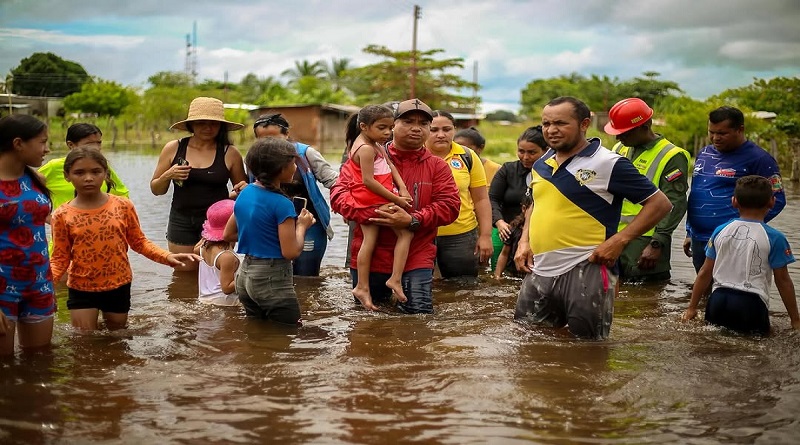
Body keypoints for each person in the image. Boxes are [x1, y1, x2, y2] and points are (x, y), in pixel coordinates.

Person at [513, 96, 672, 340]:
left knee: (587, 348)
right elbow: (536, 202)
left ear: (584, 124)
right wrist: (525, 241)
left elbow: (660, 204)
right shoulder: (542, 162)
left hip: (588, 266)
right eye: (546, 123)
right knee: (527, 340)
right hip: (540, 268)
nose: (551, 130)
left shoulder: (608, 163)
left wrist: (619, 241)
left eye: (560, 123)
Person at [331, 98, 460, 314]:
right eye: (408, 122)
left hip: (416, 254)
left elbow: (450, 206)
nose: (416, 128)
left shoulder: (437, 166)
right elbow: (338, 196)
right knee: (367, 321)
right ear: (394, 125)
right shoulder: (367, 155)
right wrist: (374, 212)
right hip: (371, 255)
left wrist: (412, 219)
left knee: (418, 316)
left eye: (423, 124)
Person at [51, 147, 199, 331]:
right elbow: (59, 258)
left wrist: (167, 257)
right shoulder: (62, 215)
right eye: (79, 173)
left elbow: (139, 242)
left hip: (118, 284)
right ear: (67, 176)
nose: (88, 178)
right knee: (84, 338)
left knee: (118, 335)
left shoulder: (122, 206)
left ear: (106, 174)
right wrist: (45, 288)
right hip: (81, 287)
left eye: (96, 172)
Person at [682, 175, 800, 335]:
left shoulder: (720, 231)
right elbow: (783, 281)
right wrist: (795, 320)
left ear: (734, 201)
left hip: (717, 300)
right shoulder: (775, 238)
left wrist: (691, 308)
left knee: (713, 343)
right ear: (772, 202)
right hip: (751, 303)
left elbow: (704, 272)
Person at [223, 137, 316, 325]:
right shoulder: (282, 204)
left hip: (245, 277)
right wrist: (302, 226)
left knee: (257, 330)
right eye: (293, 164)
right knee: (290, 331)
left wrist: (264, 236)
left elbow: (229, 234)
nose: (295, 168)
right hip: (272, 279)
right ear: (281, 169)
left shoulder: (246, 192)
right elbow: (290, 252)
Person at [684, 106, 786, 273]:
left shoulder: (759, 159)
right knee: (702, 285)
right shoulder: (704, 154)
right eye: (711, 132)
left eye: (722, 133)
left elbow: (778, 199)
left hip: (733, 241)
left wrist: (745, 228)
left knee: (729, 285)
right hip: (698, 238)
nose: (715, 138)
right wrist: (689, 231)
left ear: (740, 129)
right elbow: (696, 194)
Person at [150, 96, 247, 272]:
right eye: (201, 123)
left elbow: (243, 193)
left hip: (218, 222)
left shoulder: (230, 153)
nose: (208, 128)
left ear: (221, 126)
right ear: (191, 125)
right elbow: (157, 190)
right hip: (181, 220)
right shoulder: (174, 148)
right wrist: (168, 175)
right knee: (184, 272)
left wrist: (242, 191)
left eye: (213, 124)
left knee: (216, 272)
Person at [603, 98, 691, 282]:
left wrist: (658, 242)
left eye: (624, 132)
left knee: (647, 291)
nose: (618, 138)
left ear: (645, 126)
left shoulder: (671, 155)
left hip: (646, 239)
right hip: (616, 235)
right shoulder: (619, 148)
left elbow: (675, 202)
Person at [339, 105, 413, 310]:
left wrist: (403, 188)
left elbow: (390, 166)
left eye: (390, 128)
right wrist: (397, 199)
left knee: (369, 241)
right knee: (405, 233)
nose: (388, 133)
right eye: (382, 128)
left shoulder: (374, 144)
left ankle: (363, 287)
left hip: (369, 200)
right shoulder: (366, 149)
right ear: (364, 126)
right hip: (371, 201)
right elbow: (369, 181)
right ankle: (394, 279)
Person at [253, 113, 338, 277]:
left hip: (309, 222)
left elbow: (333, 180)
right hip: (271, 224)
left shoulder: (305, 154)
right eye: (263, 139)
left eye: (274, 138)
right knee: (274, 273)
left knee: (306, 276)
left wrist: (343, 202)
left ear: (286, 134)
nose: (269, 144)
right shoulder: (255, 159)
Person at [0, 115, 55, 355]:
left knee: (41, 360)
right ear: (18, 143)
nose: (47, 149)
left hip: (39, 281)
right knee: (5, 366)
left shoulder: (36, 178)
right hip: (3, 287)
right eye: (42, 142)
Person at [427, 110, 493, 279]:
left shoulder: (467, 156)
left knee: (463, 287)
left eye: (446, 129)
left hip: (461, 237)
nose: (441, 135)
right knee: (421, 285)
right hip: (421, 234)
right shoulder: (415, 155)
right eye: (434, 130)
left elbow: (481, 199)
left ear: (454, 130)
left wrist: (485, 236)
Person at [489, 126, 547, 273]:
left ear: (545, 151)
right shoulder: (508, 170)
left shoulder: (550, 173)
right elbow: (492, 198)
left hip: (539, 233)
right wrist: (499, 222)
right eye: (521, 151)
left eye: (532, 152)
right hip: (506, 230)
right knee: (499, 269)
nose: (525, 157)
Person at [39, 123, 129, 211]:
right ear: (71, 145)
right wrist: (46, 215)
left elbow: (122, 195)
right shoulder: (54, 167)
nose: (96, 148)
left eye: (99, 143)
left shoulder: (101, 166)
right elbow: (30, 188)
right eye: (89, 144)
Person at [194, 199, 240, 307]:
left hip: (205, 301)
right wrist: (247, 277)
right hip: (226, 304)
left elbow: (195, 249)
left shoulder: (203, 247)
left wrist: (209, 233)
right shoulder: (227, 256)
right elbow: (227, 288)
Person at [493, 194, 532, 279]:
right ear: (524, 209)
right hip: (512, 274)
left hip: (530, 274)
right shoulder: (514, 228)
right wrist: (497, 276)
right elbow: (504, 254)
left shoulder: (540, 232)